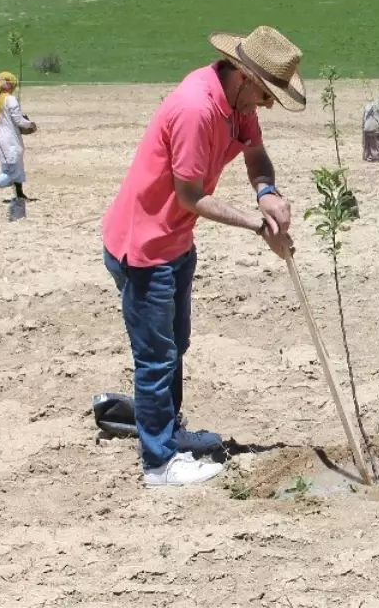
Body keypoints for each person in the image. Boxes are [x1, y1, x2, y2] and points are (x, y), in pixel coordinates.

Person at [100, 26, 303, 487]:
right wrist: (258, 225)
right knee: (156, 357)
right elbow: (190, 196)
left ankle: (168, 433)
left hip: (175, 242)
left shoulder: (238, 104)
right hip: (144, 247)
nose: (269, 104)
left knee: (175, 347)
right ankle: (158, 463)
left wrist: (267, 192)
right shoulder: (196, 109)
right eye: (267, 94)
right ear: (245, 77)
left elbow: (256, 157)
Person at [0, 72, 36, 205]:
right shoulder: (10, 99)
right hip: (9, 138)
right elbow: (18, 120)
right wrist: (30, 124)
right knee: (11, 171)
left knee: (16, 165)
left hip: (0, 137)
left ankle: (19, 193)